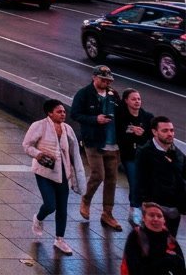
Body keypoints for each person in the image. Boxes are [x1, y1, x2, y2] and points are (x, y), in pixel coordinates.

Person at [24, 98, 86, 256]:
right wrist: (38, 154)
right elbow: (27, 145)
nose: (63, 114)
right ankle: (38, 218)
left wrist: (76, 173)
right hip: (44, 172)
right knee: (50, 205)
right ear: (49, 113)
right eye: (59, 111)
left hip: (63, 173)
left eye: (64, 111)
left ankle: (60, 239)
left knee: (62, 207)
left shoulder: (67, 129)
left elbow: (74, 152)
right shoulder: (38, 126)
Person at [73, 64, 124, 231]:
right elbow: (75, 114)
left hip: (112, 143)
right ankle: (86, 200)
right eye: (102, 79)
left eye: (108, 80)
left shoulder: (113, 95)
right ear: (94, 77)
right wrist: (95, 119)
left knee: (112, 179)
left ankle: (107, 213)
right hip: (93, 142)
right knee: (98, 174)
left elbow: (121, 113)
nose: (105, 82)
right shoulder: (84, 94)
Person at [133, 117, 186, 236]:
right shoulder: (145, 153)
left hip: (174, 208)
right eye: (165, 131)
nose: (170, 134)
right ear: (154, 132)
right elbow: (139, 180)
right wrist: (140, 204)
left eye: (172, 130)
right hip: (155, 208)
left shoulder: (176, 152)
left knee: (170, 242)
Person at [118, 90, 156, 223]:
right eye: (133, 99)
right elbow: (119, 134)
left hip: (145, 157)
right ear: (126, 101)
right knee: (135, 182)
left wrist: (143, 134)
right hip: (130, 155)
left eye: (139, 99)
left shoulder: (147, 117)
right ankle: (135, 208)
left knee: (146, 183)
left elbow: (153, 137)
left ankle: (141, 208)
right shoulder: (121, 116)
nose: (137, 101)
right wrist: (130, 131)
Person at [122, 202, 186, 274]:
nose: (155, 219)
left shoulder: (169, 239)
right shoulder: (136, 236)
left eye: (159, 216)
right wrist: (165, 262)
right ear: (144, 218)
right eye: (151, 215)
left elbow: (181, 266)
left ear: (163, 220)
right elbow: (134, 268)